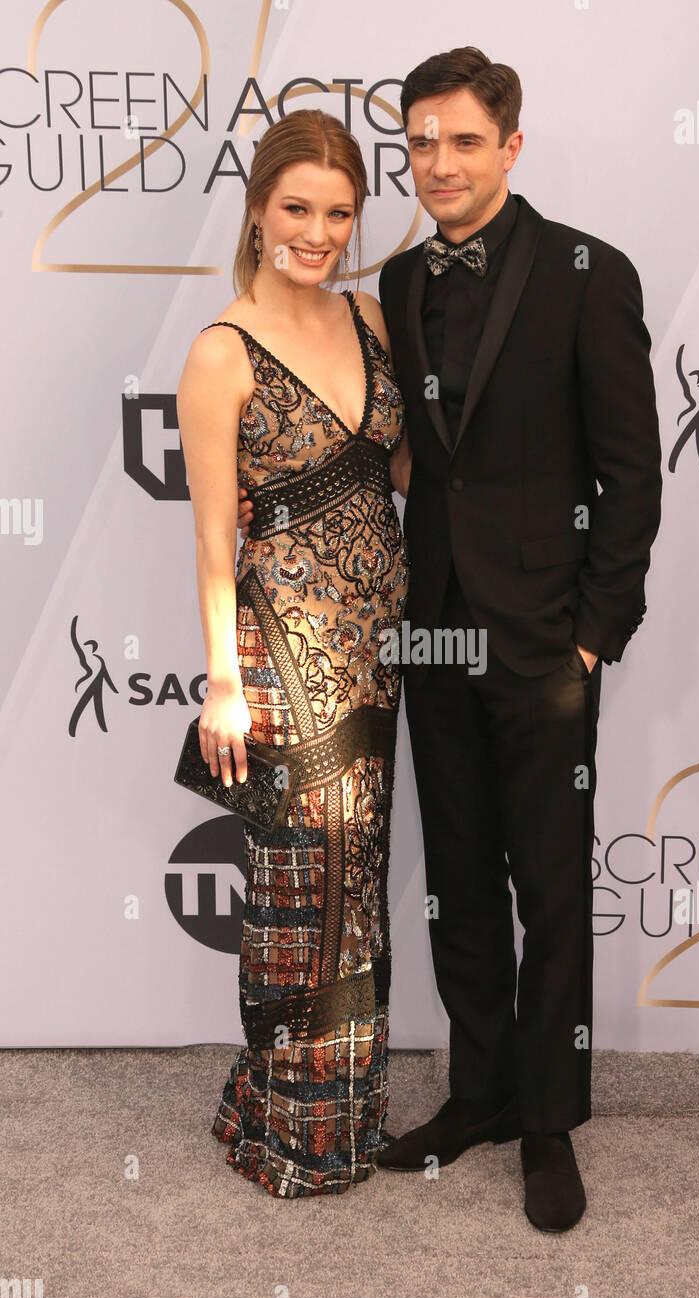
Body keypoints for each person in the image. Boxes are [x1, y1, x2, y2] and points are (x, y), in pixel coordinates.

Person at [238, 48, 662, 1232]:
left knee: (552, 888)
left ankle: (547, 1120)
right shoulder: (403, 285)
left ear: (511, 147)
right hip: (431, 636)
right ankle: (476, 1091)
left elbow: (630, 472)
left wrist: (592, 637)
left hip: (543, 644)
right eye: (421, 144)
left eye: (464, 141)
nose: (439, 163)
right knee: (461, 880)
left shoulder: (589, 272)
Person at [177, 108, 411, 1199]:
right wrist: (223, 681)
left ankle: (336, 1115)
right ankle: (289, 1134)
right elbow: (214, 539)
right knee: (297, 898)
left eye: (339, 213)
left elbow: (401, 472)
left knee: (354, 889)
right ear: (260, 208)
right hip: (281, 655)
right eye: (297, 210)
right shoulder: (219, 353)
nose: (318, 233)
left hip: (374, 653)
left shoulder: (367, 315)